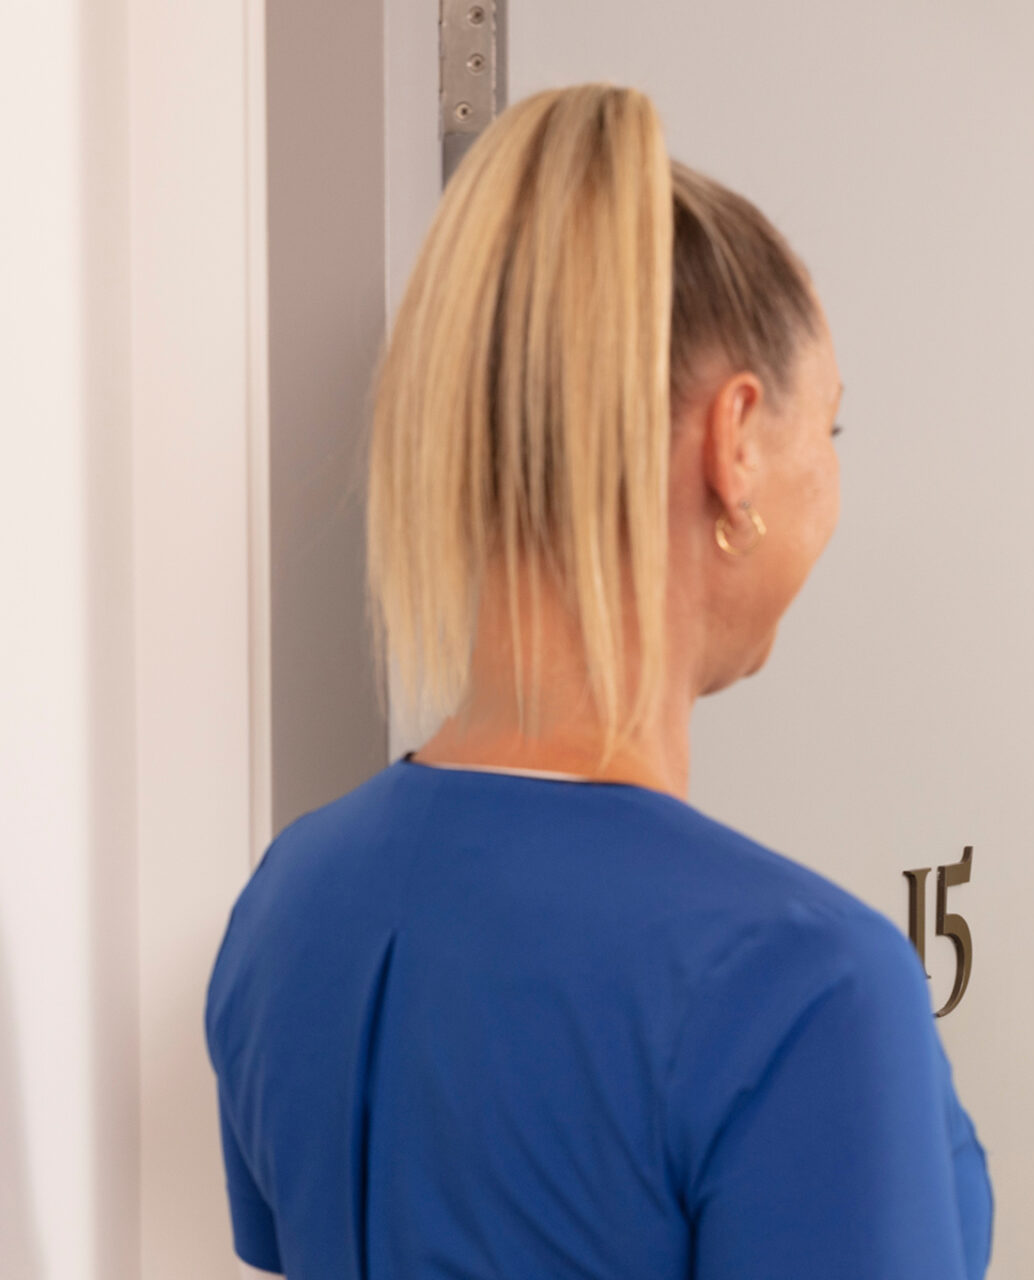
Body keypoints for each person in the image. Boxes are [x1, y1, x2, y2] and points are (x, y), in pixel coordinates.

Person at [205, 85, 992, 1279]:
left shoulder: (290, 902)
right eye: (826, 432)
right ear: (735, 445)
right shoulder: (807, 984)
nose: (829, 478)